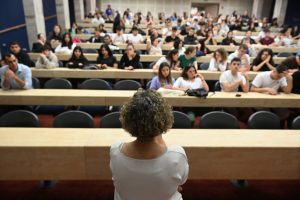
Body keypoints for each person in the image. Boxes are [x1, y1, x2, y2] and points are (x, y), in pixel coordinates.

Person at [110, 89, 188, 200]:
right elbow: (181, 182)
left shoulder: (115, 150)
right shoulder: (176, 155)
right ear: (164, 118)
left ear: (127, 118)